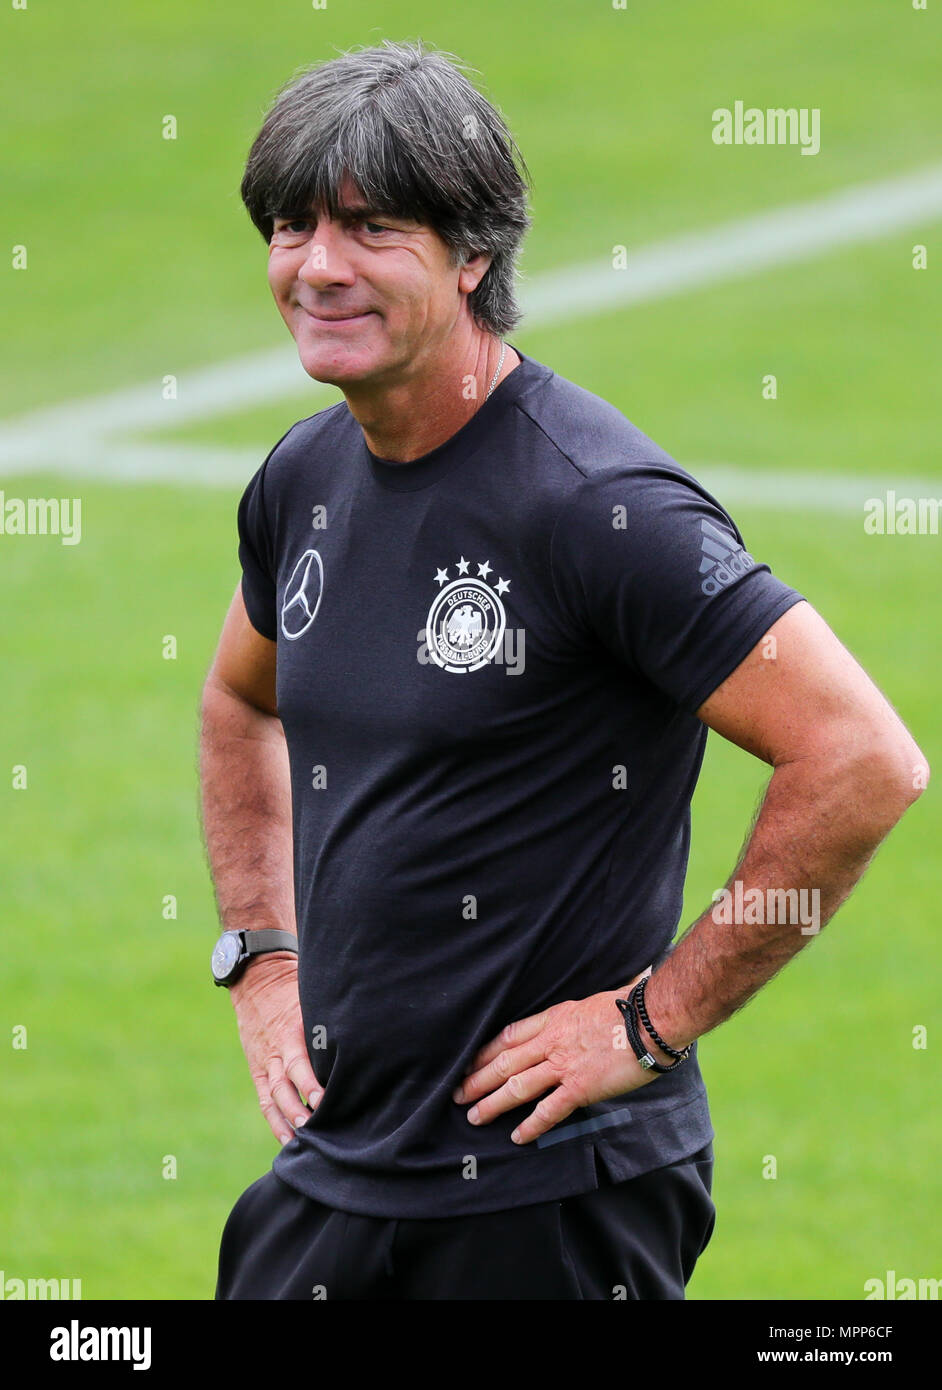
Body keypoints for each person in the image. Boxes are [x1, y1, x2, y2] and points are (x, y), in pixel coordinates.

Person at [200, 39, 928, 1301]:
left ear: (472, 255)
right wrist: (263, 955)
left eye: (369, 228)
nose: (315, 266)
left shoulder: (598, 508)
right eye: (290, 226)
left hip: (550, 1195)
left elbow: (864, 758)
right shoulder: (301, 479)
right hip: (340, 1168)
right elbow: (235, 702)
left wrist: (648, 1021)